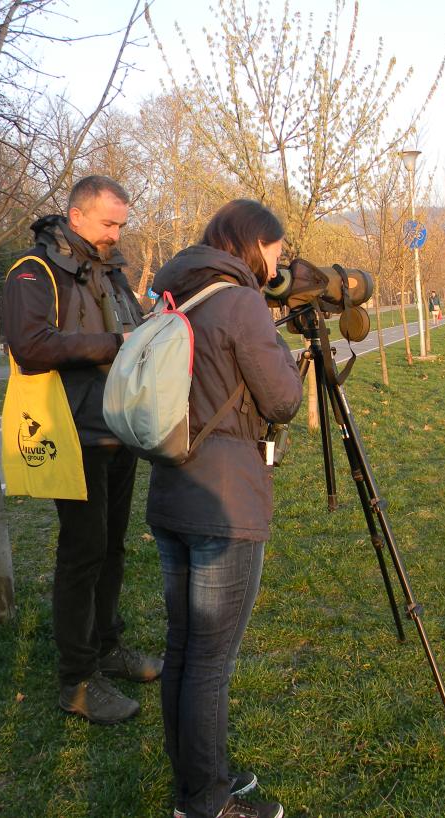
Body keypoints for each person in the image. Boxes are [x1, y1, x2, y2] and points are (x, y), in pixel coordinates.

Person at [147, 199, 302, 818]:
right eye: (276, 250)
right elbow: (284, 400)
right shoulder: (240, 303)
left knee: (184, 649)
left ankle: (197, 781)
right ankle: (206, 805)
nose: (279, 262)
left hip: (170, 491)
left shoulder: (171, 295)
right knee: (210, 661)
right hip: (225, 501)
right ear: (252, 242)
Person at [2, 175, 161, 725]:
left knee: (113, 548)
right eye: (109, 223)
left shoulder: (111, 272)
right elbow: (29, 345)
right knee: (81, 554)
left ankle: (107, 646)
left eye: (122, 224)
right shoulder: (34, 272)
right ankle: (76, 680)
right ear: (76, 218)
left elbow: (136, 332)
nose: (117, 234)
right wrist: (114, 345)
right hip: (72, 433)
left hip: (118, 427)